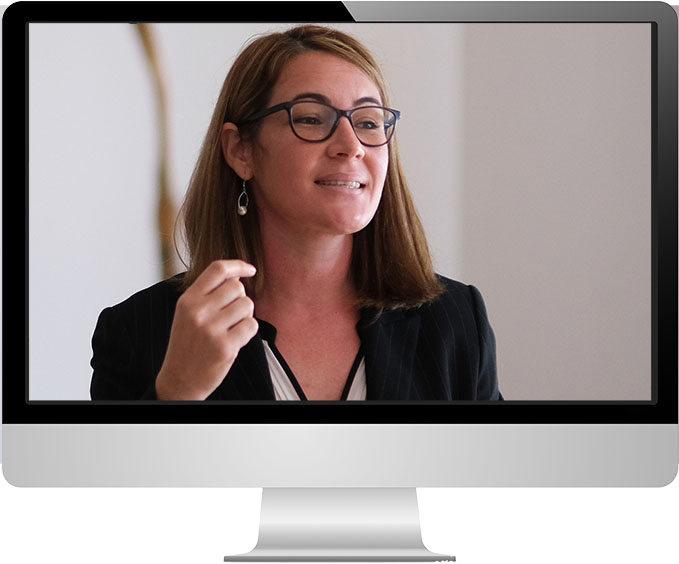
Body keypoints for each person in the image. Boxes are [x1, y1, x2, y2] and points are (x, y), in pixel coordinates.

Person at [90, 25, 501, 401]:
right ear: (240, 150)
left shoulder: (455, 320)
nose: (351, 146)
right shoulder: (138, 331)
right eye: (311, 119)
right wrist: (177, 392)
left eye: (368, 123)